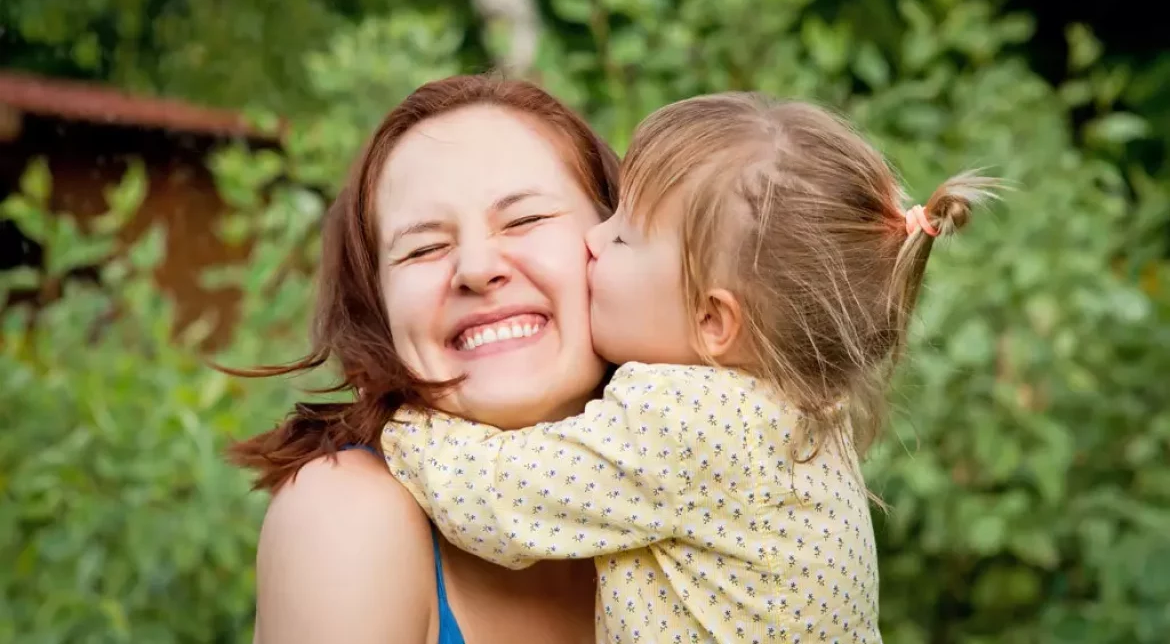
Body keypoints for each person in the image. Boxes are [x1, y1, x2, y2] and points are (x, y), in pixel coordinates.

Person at [382, 93, 1000, 642]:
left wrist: (400, 421)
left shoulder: (686, 418)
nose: (594, 240)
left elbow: (497, 503)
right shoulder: (805, 410)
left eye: (624, 237)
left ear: (711, 320)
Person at [227, 75, 621, 644]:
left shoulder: (732, 470)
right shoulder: (345, 515)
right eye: (424, 248)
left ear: (620, 241)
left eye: (525, 219)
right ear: (377, 308)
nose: (477, 268)